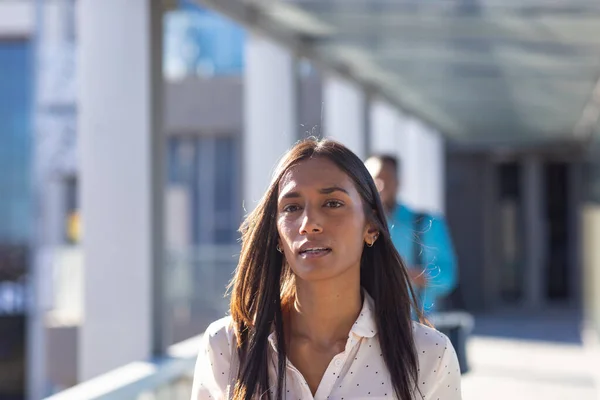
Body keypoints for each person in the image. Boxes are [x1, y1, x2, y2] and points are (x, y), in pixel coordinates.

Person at [191, 138, 462, 400]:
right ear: (275, 234)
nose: (309, 223)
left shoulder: (429, 355)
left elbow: (447, 277)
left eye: (332, 203)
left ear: (371, 226)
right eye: (292, 207)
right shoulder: (226, 346)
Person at [364, 154, 458, 314]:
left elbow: (447, 277)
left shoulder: (426, 223)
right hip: (365, 326)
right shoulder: (357, 224)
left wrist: (410, 274)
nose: (379, 185)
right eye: (372, 179)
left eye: (385, 178)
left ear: (398, 181)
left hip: (414, 326)